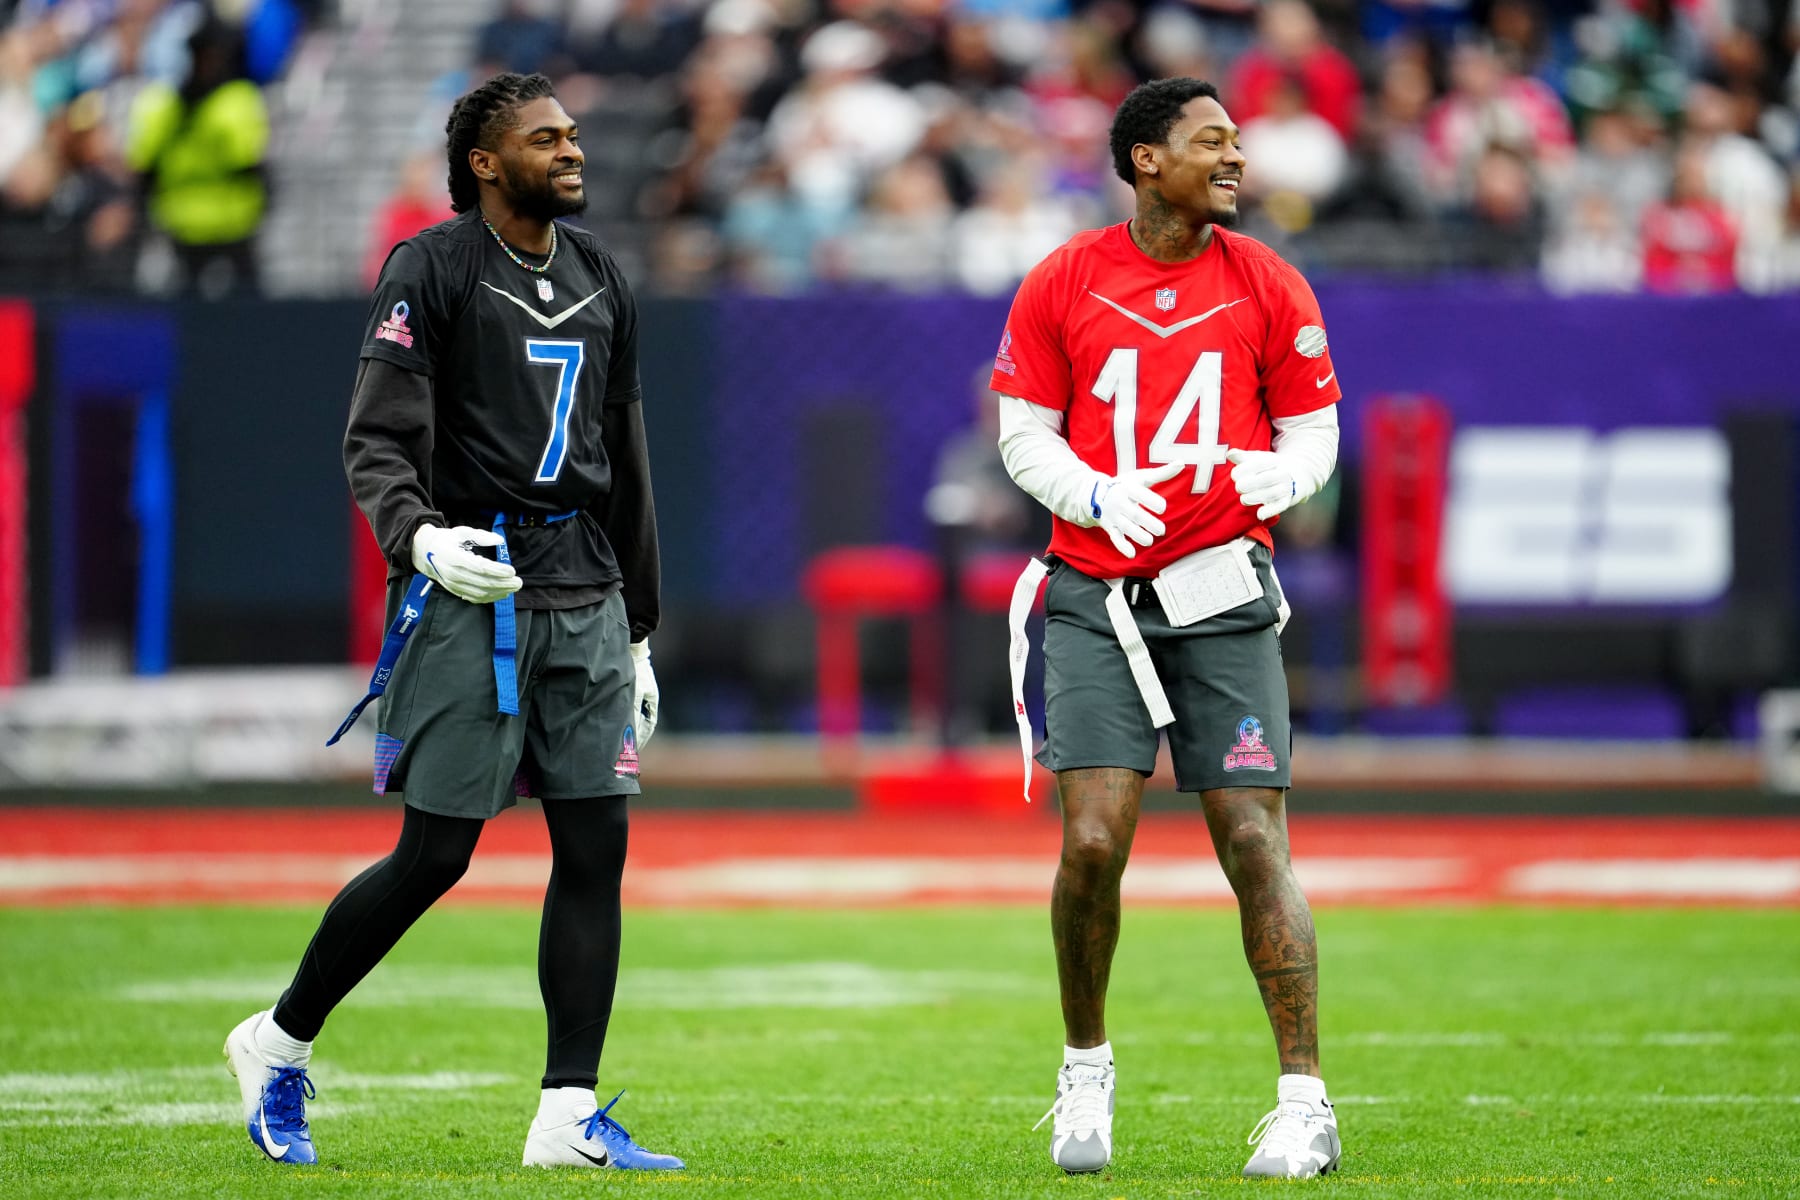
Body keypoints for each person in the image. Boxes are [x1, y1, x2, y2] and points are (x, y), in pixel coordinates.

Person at [221, 72, 681, 1173]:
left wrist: (643, 627)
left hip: (586, 587)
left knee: (596, 844)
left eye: (574, 134)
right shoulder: (429, 268)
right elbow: (373, 440)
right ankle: (276, 1041)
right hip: (471, 582)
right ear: (485, 160)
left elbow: (627, 461)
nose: (572, 150)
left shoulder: (600, 272)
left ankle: (566, 1113)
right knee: (436, 854)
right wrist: (419, 538)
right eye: (546, 137)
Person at [993, 76, 1342, 1179]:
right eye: (1211, 141)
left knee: (1252, 836)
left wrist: (1277, 475)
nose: (1235, 157)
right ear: (1148, 159)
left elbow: (1317, 431)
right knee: (1092, 840)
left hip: (1221, 593)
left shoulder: (1270, 282)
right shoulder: (1064, 279)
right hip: (1096, 591)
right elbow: (1024, 433)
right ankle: (1085, 1063)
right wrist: (1091, 495)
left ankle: (1305, 1101)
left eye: (1237, 141)